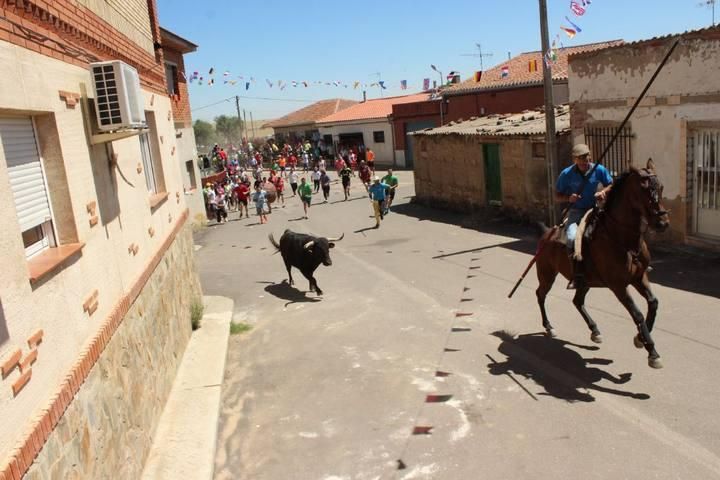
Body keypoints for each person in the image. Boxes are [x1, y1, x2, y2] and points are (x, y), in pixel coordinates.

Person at [555, 143, 613, 289]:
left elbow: (611, 184)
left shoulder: (598, 169)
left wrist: (603, 192)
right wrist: (569, 198)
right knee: (572, 238)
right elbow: (557, 196)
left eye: (585, 157)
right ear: (574, 159)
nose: (583, 161)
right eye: (580, 158)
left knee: (616, 230)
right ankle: (576, 275)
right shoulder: (566, 174)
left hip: (594, 209)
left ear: (590, 156)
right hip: (576, 211)